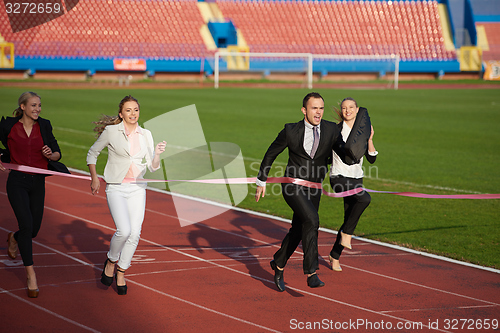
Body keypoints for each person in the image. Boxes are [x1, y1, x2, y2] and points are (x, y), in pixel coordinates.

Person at [255, 92, 347, 291]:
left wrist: (363, 142)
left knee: (298, 229)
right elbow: (271, 153)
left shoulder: (331, 129)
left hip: (314, 188)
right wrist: (261, 180)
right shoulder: (290, 130)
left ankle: (278, 263)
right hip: (292, 185)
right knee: (312, 220)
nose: (319, 112)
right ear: (304, 110)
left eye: (321, 108)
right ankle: (312, 272)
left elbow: (346, 155)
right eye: (314, 108)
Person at [87, 95, 166, 295]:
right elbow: (92, 153)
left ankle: (121, 271)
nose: (133, 114)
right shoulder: (111, 131)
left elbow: (153, 167)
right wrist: (94, 177)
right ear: (121, 114)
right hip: (116, 187)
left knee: (135, 233)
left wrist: (157, 154)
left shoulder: (146, 134)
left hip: (138, 188)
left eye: (136, 110)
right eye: (129, 110)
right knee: (123, 230)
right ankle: (111, 261)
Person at [0, 91, 69, 298]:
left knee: (33, 230)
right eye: (33, 105)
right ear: (22, 107)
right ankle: (31, 275)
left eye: (39, 105)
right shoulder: (9, 126)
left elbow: (57, 153)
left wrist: (50, 154)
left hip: (38, 182)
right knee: (27, 225)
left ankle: (15, 237)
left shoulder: (45, 125)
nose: (37, 109)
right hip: (17, 181)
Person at [328, 97, 377, 272]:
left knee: (349, 219)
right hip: (339, 178)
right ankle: (347, 235)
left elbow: (371, 159)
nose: (347, 110)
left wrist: (370, 139)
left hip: (356, 179)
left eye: (351, 107)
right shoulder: (335, 131)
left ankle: (335, 255)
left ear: (357, 110)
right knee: (364, 199)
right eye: (344, 108)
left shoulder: (362, 131)